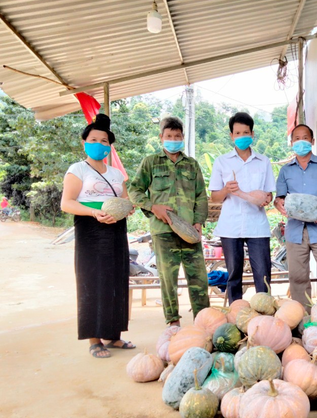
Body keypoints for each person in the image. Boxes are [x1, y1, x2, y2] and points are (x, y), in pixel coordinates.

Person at [60, 114, 135, 358]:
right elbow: (67, 203)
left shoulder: (116, 174)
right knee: (92, 281)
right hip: (90, 230)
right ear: (84, 142)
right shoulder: (77, 170)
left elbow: (125, 201)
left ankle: (114, 336)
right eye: (94, 139)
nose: (100, 144)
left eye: (104, 141)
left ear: (109, 146)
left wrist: (127, 209)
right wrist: (95, 213)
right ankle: (94, 339)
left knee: (116, 279)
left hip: (115, 229)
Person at [128, 116, 210, 326]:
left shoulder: (192, 165)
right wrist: (152, 207)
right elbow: (134, 190)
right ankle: (173, 324)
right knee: (168, 280)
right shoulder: (151, 162)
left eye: (177, 136)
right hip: (163, 231)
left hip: (190, 232)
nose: (173, 139)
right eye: (169, 136)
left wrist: (199, 221)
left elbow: (201, 195)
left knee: (199, 280)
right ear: (161, 137)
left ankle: (204, 323)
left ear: (182, 137)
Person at [209, 112, 276, 303]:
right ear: (231, 136)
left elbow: (269, 194)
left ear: (252, 134)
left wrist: (265, 199)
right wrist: (226, 190)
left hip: (257, 226)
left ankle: (264, 313)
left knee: (263, 274)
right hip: (231, 226)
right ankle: (236, 313)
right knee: (233, 275)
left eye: (245, 132)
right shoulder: (222, 161)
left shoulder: (263, 161)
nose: (241, 136)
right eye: (237, 133)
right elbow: (215, 197)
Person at [274, 123, 317, 309]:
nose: (301, 141)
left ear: (312, 141)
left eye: (305, 137)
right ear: (292, 142)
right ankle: (302, 317)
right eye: (296, 138)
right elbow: (279, 198)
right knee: (297, 277)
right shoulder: (285, 171)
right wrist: (278, 204)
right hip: (295, 230)